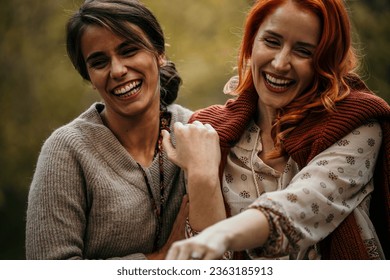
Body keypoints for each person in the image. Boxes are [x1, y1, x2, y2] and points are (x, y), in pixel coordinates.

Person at [163, 0, 390, 260]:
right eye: (271, 42)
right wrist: (203, 176)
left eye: (303, 51)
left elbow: (304, 202)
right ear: (251, 43)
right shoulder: (212, 132)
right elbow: (212, 265)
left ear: (326, 60)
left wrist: (223, 233)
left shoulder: (357, 122)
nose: (281, 64)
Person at [25, 0, 194, 259]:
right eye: (99, 62)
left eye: (129, 51)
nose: (117, 70)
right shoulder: (67, 151)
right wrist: (161, 259)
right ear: (89, 77)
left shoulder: (194, 131)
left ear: (159, 54)